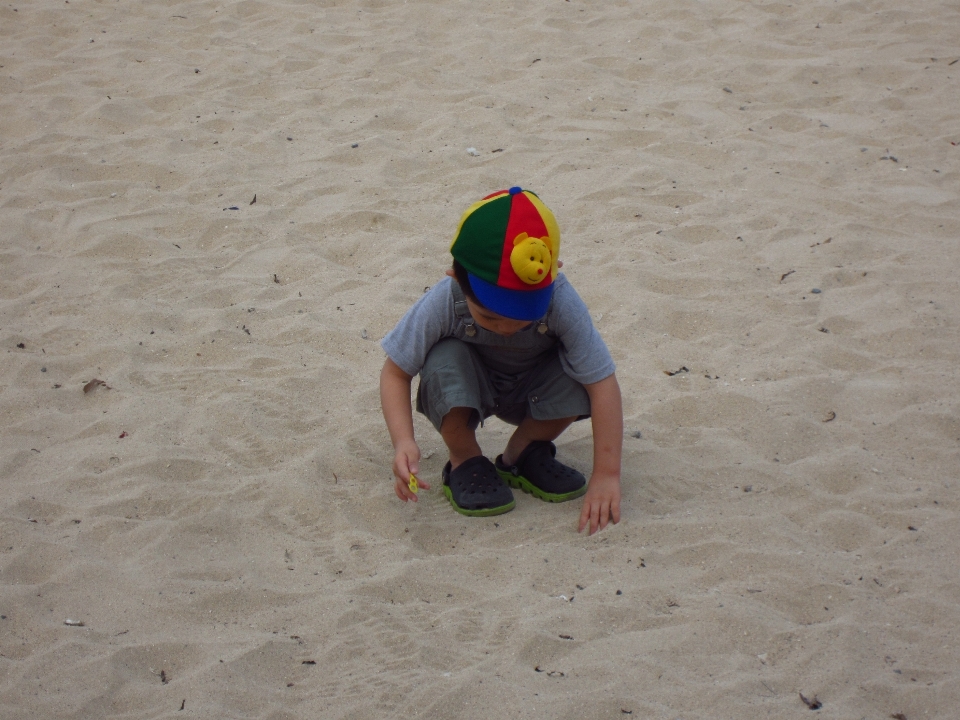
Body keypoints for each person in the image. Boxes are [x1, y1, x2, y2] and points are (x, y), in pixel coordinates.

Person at [379, 187, 622, 534]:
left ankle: (520, 454)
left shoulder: (561, 300)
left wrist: (606, 475)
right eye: (491, 317)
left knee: (581, 370)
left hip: (534, 393)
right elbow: (395, 373)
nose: (507, 327)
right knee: (444, 358)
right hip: (467, 391)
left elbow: (603, 383)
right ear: (455, 278)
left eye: (523, 316)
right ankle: (465, 459)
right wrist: (403, 442)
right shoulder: (444, 300)